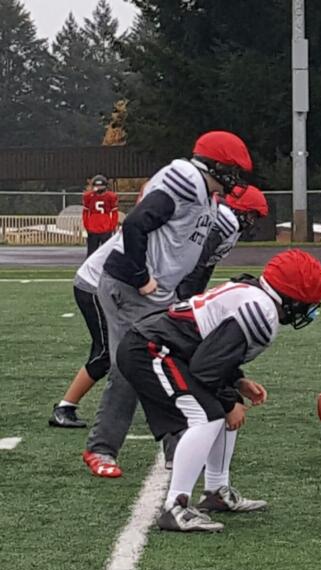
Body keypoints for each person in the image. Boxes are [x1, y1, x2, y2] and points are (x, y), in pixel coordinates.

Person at [82, 131, 253, 479]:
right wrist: (141, 276)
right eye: (231, 169)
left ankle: (174, 445)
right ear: (215, 164)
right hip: (130, 288)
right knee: (136, 365)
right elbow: (134, 223)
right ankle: (104, 448)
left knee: (160, 363)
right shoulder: (187, 179)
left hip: (157, 294)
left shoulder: (207, 195)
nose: (234, 177)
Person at [116, 249, 321, 532]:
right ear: (290, 296)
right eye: (305, 303)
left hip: (168, 348)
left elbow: (213, 347)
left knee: (222, 408)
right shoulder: (262, 311)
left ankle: (216, 491)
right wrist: (228, 401)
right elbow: (206, 366)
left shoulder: (254, 293)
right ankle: (175, 506)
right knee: (208, 416)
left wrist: (237, 382)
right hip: (152, 349)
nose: (308, 310)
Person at [50, 187, 268, 432]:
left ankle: (145, 407)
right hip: (102, 280)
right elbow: (193, 265)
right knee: (114, 354)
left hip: (132, 284)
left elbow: (199, 270)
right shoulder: (220, 219)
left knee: (144, 348)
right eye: (252, 216)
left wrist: (190, 303)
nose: (252, 224)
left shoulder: (215, 221)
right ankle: (68, 409)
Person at [82, 174, 120, 255]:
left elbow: (114, 213)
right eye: (97, 186)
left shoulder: (110, 196)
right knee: (92, 254)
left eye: (100, 186)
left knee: (106, 253)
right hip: (95, 228)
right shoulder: (88, 196)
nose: (98, 188)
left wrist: (111, 226)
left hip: (104, 227)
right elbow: (85, 212)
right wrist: (87, 226)